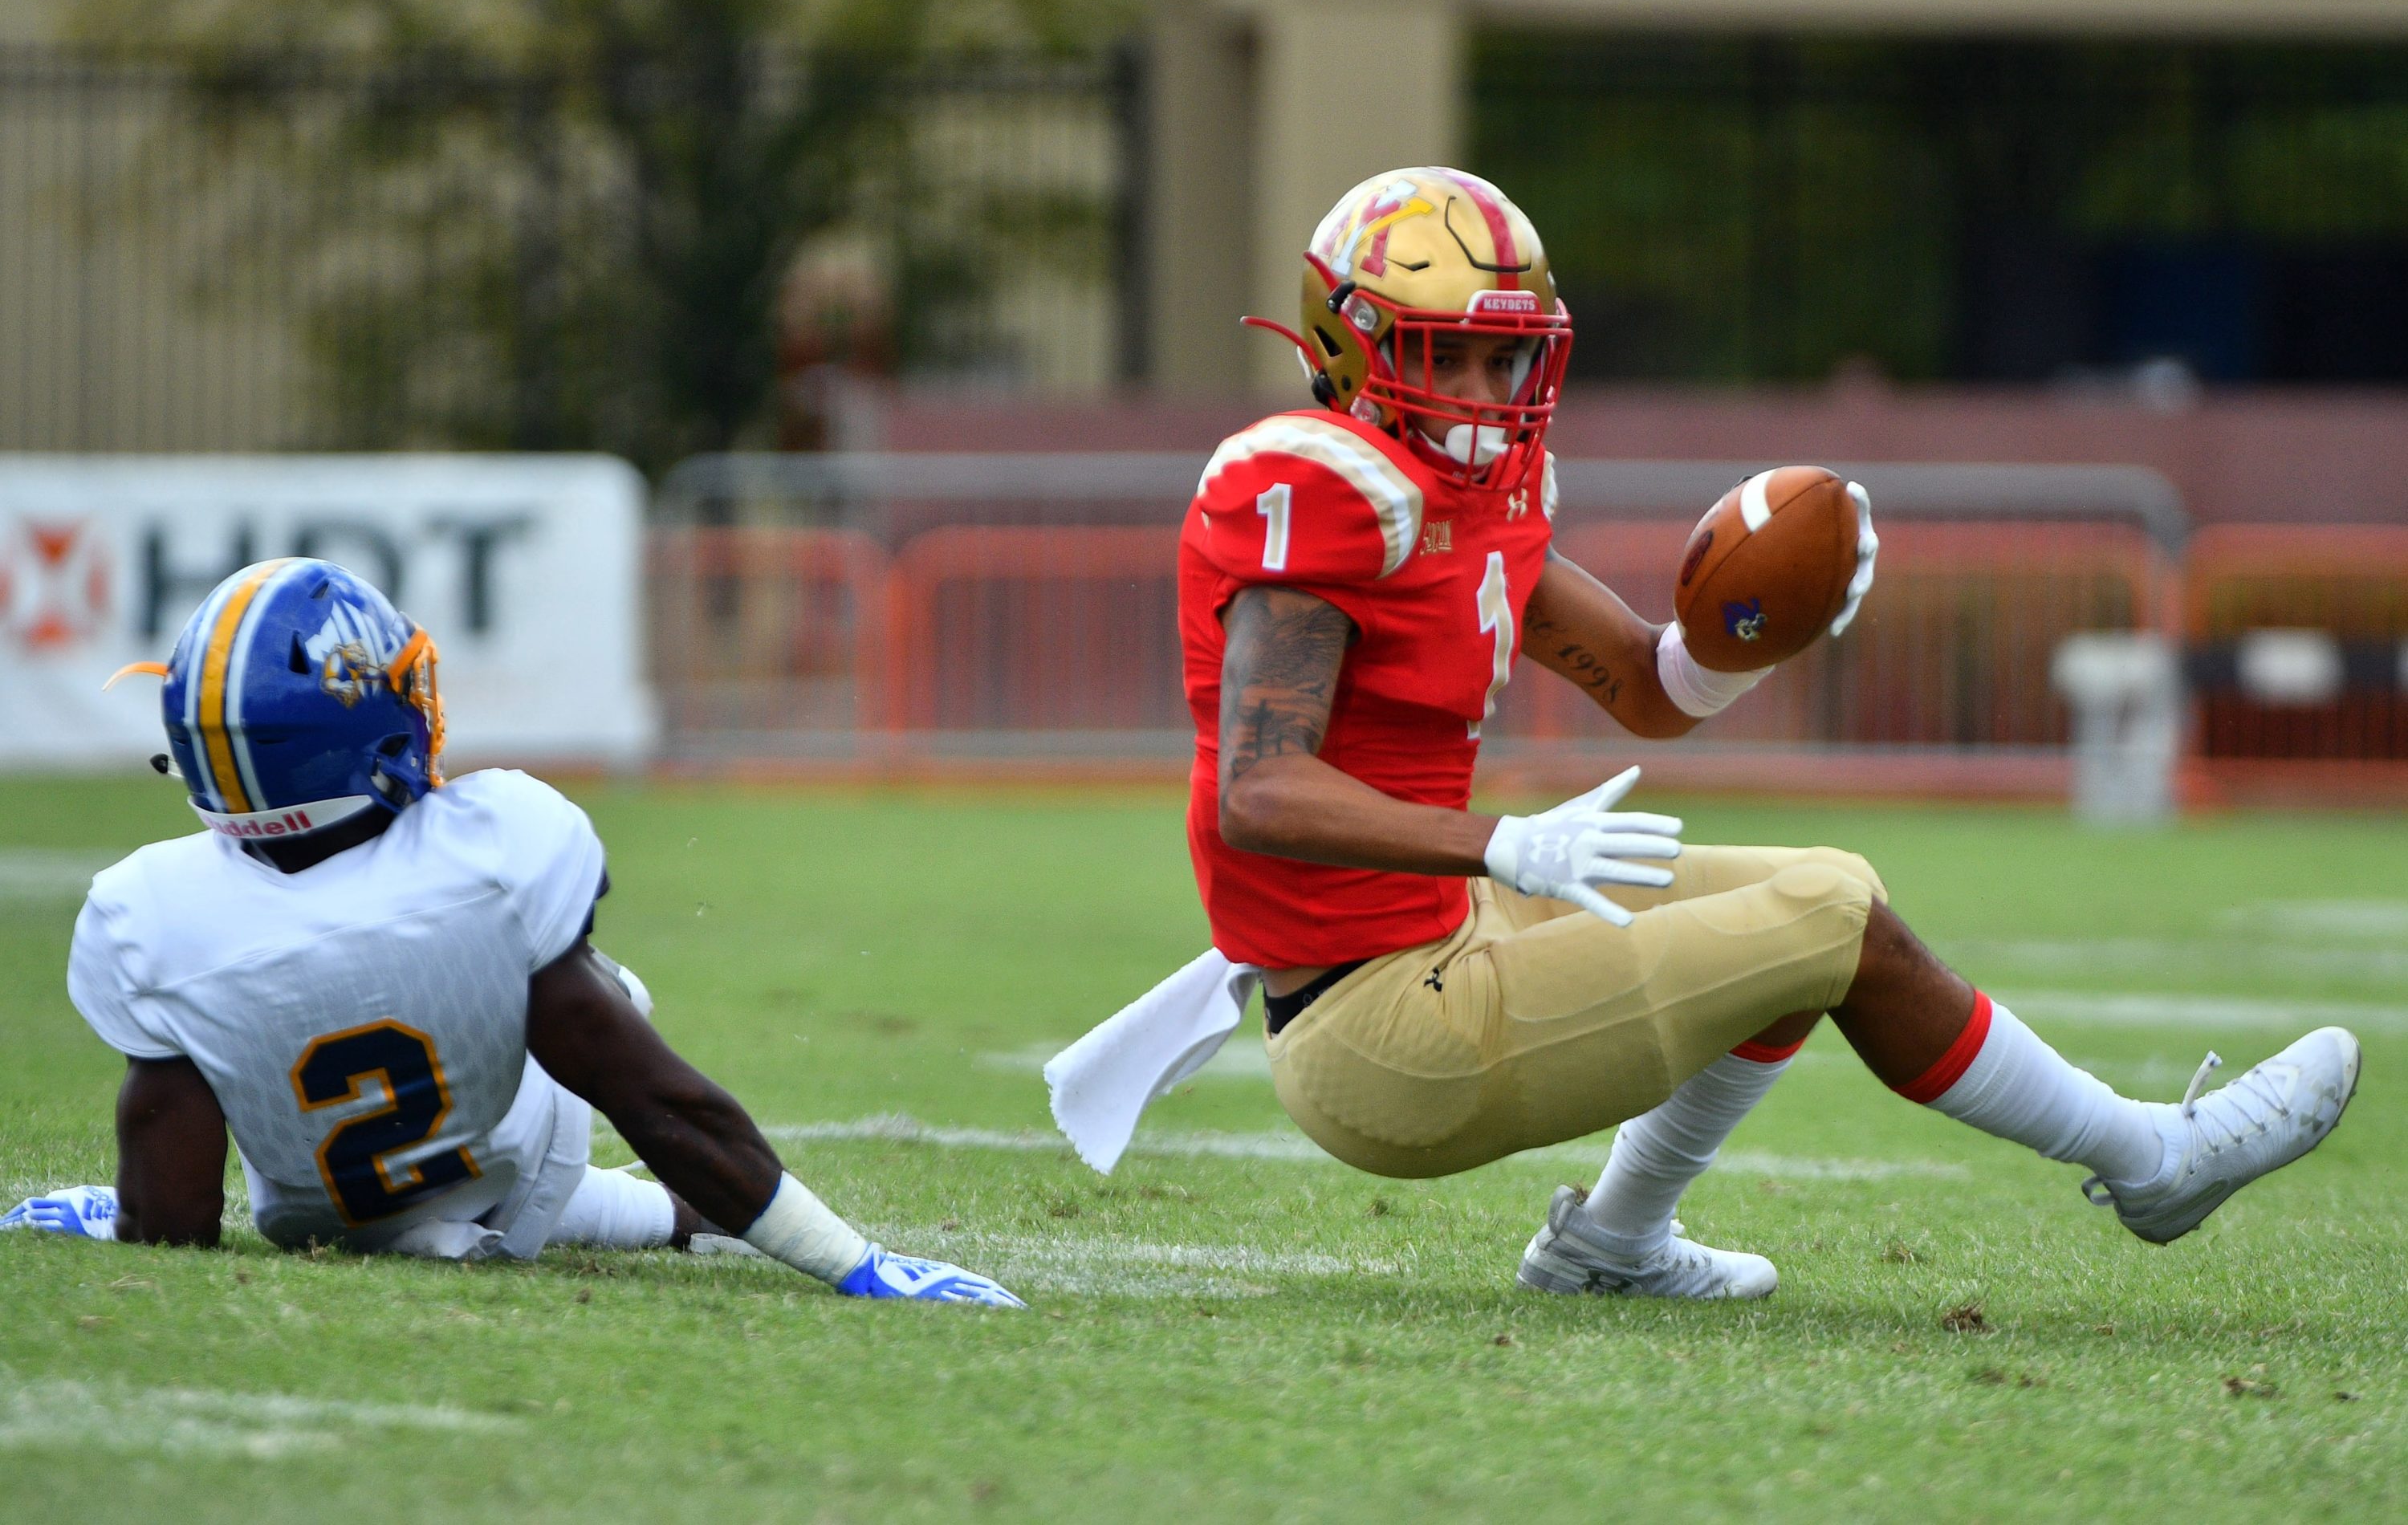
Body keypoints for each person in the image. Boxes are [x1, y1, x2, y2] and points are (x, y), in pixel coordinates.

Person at [1052, 165, 2359, 1300]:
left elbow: (1649, 687)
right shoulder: (1324, 489)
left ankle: (1614, 1241)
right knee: (1821, 927)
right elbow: (1261, 792)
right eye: (1443, 350)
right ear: (1351, 346)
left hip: (1443, 940)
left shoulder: (1482, 496)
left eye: (1505, 352)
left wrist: (1752, 633)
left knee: (1823, 896)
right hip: (1376, 1029)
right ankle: (2153, 1162)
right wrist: (1503, 845)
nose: (1482, 385)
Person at [3, 557, 1020, 1307]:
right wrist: (857, 1264)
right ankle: (676, 1215)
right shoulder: (495, 849)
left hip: (309, 1213)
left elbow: (174, 1217)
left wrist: (120, 1214)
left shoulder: (147, 909)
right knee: (605, 999)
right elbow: (653, 1094)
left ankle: (658, 1219)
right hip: (515, 1176)